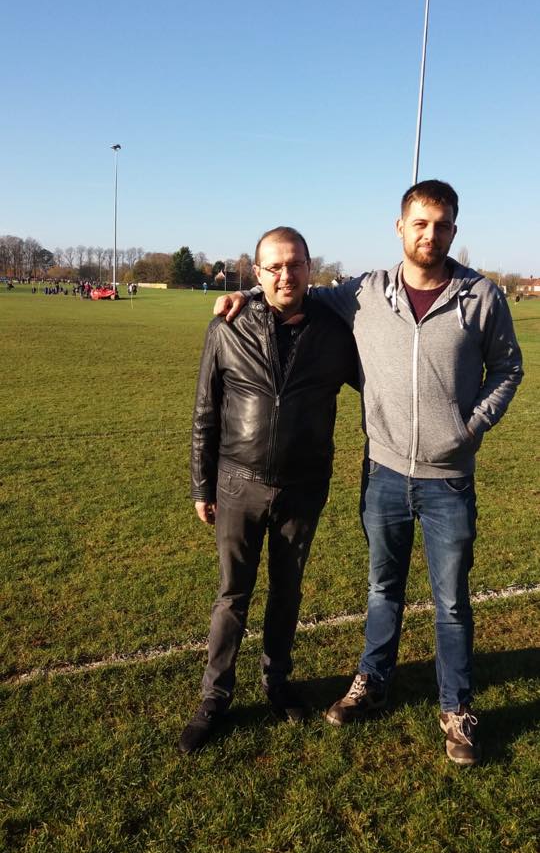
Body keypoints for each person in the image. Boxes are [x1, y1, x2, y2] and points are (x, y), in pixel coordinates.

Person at [214, 181, 523, 765]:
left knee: (451, 601)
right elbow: (291, 284)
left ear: (454, 231)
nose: (431, 234)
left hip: (448, 479)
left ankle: (456, 708)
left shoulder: (480, 296)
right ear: (400, 228)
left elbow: (508, 367)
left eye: (442, 224)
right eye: (420, 223)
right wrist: (244, 294)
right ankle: (372, 682)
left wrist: (471, 426)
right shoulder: (365, 292)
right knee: (383, 589)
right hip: (383, 473)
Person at [180, 226, 358, 753]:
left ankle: (277, 682)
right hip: (238, 484)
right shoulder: (227, 326)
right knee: (232, 594)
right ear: (257, 273)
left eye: (295, 264)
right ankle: (215, 697)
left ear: (310, 268)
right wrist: (202, 485)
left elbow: (383, 386)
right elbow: (205, 413)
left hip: (303, 488)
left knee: (287, 591)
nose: (286, 275)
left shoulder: (335, 331)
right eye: (274, 267)